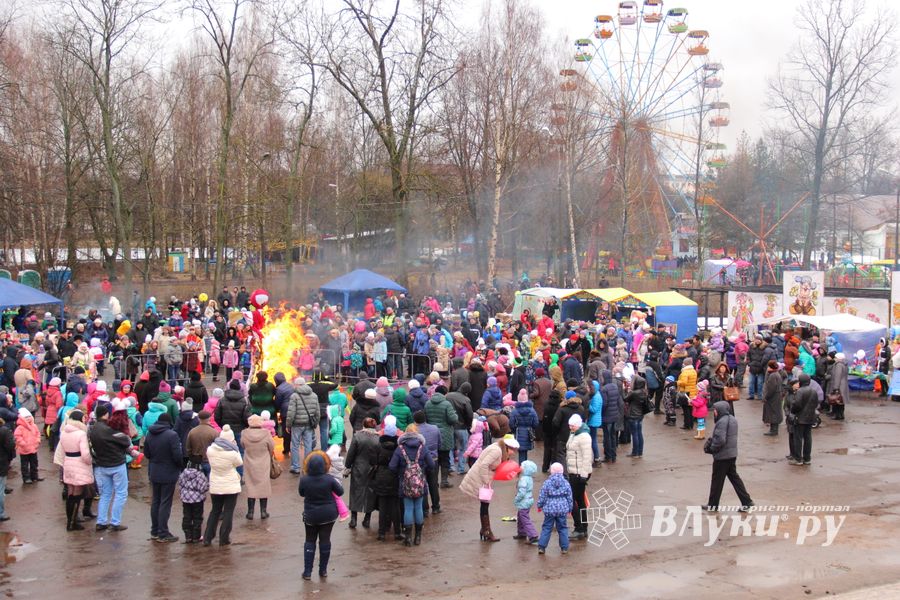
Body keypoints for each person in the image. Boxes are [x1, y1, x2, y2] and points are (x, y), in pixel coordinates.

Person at [459, 434, 519, 542]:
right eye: (513, 450)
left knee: (485, 504)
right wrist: (486, 481)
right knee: (485, 504)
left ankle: (485, 530)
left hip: (484, 478)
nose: (513, 452)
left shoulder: (499, 449)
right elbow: (483, 465)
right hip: (481, 478)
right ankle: (486, 531)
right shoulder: (497, 451)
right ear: (507, 447)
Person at [299, 450, 344, 580]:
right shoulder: (329, 480)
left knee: (310, 540)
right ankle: (323, 570)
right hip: (328, 515)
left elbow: (301, 493)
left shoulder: (304, 480)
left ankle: (307, 572)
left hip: (311, 515)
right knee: (325, 540)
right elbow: (340, 492)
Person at [702, 401, 753, 512]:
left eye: (715, 410)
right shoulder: (733, 419)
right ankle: (747, 501)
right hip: (731, 455)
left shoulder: (721, 422)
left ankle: (713, 505)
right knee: (735, 479)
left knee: (717, 481)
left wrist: (712, 449)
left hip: (722, 456)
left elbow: (720, 440)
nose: (714, 412)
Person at [389, 423, 435, 546]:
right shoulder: (422, 448)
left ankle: (408, 537)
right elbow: (431, 465)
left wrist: (401, 472)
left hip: (405, 483)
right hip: (419, 483)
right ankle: (418, 537)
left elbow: (392, 466)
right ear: (417, 433)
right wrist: (422, 469)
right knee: (419, 507)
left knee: (408, 508)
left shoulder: (400, 449)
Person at [89, 404, 132, 532]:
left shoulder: (93, 428)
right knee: (120, 493)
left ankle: (101, 521)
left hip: (102, 465)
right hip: (116, 464)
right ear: (106, 414)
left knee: (106, 494)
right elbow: (125, 441)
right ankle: (115, 522)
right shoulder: (109, 429)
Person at [143, 412, 183, 543]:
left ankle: (154, 530)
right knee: (165, 502)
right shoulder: (172, 435)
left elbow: (147, 453)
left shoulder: (150, 433)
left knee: (156, 501)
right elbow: (177, 456)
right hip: (168, 472)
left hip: (154, 471)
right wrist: (179, 466)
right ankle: (163, 532)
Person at [204, 424, 243, 546]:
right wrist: (235, 447)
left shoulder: (210, 450)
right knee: (228, 511)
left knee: (215, 510)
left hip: (216, 484)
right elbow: (239, 463)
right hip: (230, 485)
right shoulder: (233, 452)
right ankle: (224, 538)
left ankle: (207, 537)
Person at [56, 409, 94, 530]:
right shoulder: (81, 434)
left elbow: (61, 451)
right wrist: (90, 461)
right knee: (77, 494)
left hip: (68, 462)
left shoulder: (64, 432)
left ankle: (69, 522)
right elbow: (86, 454)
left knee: (70, 493)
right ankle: (73, 523)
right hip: (79, 464)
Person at [370, 420, 403, 541]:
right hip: (394, 478)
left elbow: (372, 461)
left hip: (381, 477)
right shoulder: (398, 448)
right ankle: (398, 532)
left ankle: (382, 533)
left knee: (383, 506)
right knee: (395, 506)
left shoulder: (378, 446)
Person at [344, 417, 379, 529]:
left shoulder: (357, 436)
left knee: (355, 492)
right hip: (371, 469)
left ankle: (353, 519)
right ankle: (367, 519)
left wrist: (347, 466)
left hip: (358, 468)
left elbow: (351, 454)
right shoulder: (378, 438)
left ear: (363, 425)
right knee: (370, 493)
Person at [242, 413, 275, 519]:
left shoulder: (244, 433)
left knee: (251, 486)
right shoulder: (266, 433)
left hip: (249, 462)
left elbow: (243, 445)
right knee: (263, 486)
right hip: (263, 462)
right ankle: (263, 511)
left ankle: (250, 512)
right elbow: (271, 446)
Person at [565, 414, 592, 539]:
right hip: (573, 472)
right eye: (570, 425)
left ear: (578, 424)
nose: (570, 427)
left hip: (579, 473)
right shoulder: (573, 434)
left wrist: (583, 475)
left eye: (573, 425)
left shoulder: (584, 437)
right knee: (579, 500)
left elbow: (587, 457)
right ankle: (582, 527)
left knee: (575, 501)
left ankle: (580, 527)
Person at [536, 462, 573, 555]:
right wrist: (570, 508)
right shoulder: (566, 483)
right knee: (563, 528)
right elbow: (569, 497)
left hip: (549, 509)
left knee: (547, 527)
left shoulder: (547, 483)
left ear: (551, 471)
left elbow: (542, 496)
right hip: (562, 509)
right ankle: (564, 547)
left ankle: (542, 547)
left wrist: (540, 505)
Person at [286, 377, 321, 474]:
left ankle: (296, 467)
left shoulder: (294, 396)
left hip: (297, 425)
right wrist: (315, 423)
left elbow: (291, 412)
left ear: (297, 385)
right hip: (309, 424)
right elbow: (317, 411)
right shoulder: (314, 395)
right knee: (308, 445)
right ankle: (308, 467)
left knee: (295, 446)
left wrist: (288, 425)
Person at [424, 391, 458, 487]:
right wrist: (455, 415)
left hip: (432, 434)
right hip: (445, 435)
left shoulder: (427, 403)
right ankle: (444, 481)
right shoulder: (447, 404)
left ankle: (434, 481)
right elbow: (453, 419)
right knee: (445, 459)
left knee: (434, 459)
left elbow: (425, 418)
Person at [788, 374, 818, 466]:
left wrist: (793, 411)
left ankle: (798, 458)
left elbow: (796, 405)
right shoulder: (814, 391)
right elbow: (816, 403)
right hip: (810, 418)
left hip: (800, 418)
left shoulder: (800, 391)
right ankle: (807, 458)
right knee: (808, 438)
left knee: (798, 438)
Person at [179, 458, 209, 543]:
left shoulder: (183, 473)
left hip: (186, 499)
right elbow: (203, 488)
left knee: (186, 516)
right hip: (197, 500)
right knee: (197, 517)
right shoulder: (200, 475)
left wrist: (182, 494)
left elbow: (180, 485)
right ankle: (196, 536)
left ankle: (188, 536)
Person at [508, 389, 539, 464]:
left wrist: (515, 429)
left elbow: (511, 423)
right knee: (525, 451)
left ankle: (522, 468)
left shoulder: (514, 411)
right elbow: (536, 423)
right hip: (528, 433)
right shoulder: (532, 410)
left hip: (519, 433)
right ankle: (525, 467)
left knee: (521, 452)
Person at [512, 460, 539, 544]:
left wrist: (517, 498)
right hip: (529, 499)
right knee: (520, 516)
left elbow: (522, 492)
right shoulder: (529, 478)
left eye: (521, 466)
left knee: (524, 518)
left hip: (524, 501)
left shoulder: (523, 479)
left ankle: (533, 535)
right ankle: (522, 532)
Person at [14, 408, 42, 484]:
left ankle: (34, 476)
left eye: (29, 416)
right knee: (24, 465)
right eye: (26, 417)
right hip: (24, 450)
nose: (28, 418)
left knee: (34, 463)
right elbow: (17, 437)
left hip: (33, 448)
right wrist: (23, 444)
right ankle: (26, 478)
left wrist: (38, 440)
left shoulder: (34, 426)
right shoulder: (20, 428)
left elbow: (38, 434)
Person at [624, 375, 648, 456]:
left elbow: (625, 399)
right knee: (639, 433)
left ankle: (635, 452)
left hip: (633, 415)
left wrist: (626, 390)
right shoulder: (644, 392)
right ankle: (640, 451)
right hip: (640, 414)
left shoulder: (634, 393)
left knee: (634, 434)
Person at [762, 361, 784, 436]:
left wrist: (766, 396)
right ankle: (773, 429)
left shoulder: (773, 376)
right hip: (776, 396)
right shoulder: (776, 374)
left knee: (773, 413)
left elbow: (771, 388)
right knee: (775, 412)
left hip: (773, 398)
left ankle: (774, 430)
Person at [827, 353, 849, 420]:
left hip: (839, 385)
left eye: (836, 357)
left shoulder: (838, 365)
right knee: (841, 401)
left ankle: (837, 415)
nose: (835, 359)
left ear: (839, 358)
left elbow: (837, 376)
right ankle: (841, 414)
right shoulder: (844, 364)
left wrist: (835, 387)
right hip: (843, 384)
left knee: (837, 400)